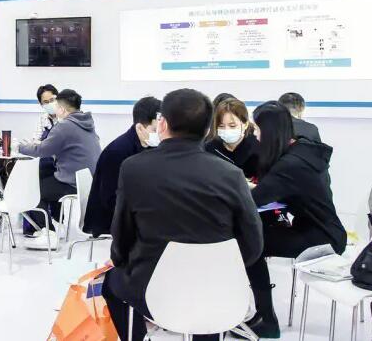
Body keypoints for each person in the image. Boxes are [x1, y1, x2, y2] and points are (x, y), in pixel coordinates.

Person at [102, 88, 263, 341]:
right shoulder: (230, 175)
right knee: (207, 305)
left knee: (110, 284)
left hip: (152, 288)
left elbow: (122, 233)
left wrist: (119, 259)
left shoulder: (133, 168)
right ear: (208, 129)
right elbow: (253, 244)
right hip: (215, 288)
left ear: (162, 124)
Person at [244, 101, 346, 338]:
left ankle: (267, 320)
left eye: (257, 130)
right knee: (255, 237)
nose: (255, 136)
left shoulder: (290, 166)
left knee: (250, 243)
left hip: (321, 239)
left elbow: (253, 200)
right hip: (320, 230)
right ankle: (262, 315)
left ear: (269, 132)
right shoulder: (301, 150)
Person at [18, 89, 101, 249]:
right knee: (48, 179)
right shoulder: (86, 123)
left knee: (32, 189)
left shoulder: (64, 126)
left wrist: (19, 147)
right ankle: (56, 224)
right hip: (88, 181)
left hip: (72, 182)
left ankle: (48, 234)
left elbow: (41, 150)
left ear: (62, 109)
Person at [82, 96, 161, 238]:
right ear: (140, 127)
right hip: (110, 218)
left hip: (133, 211)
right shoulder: (118, 152)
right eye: (155, 130)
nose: (159, 135)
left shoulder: (149, 146)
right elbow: (109, 198)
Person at [205, 97, 260, 179]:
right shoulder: (210, 149)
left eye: (232, 126)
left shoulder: (257, 148)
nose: (226, 130)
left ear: (245, 124)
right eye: (221, 126)